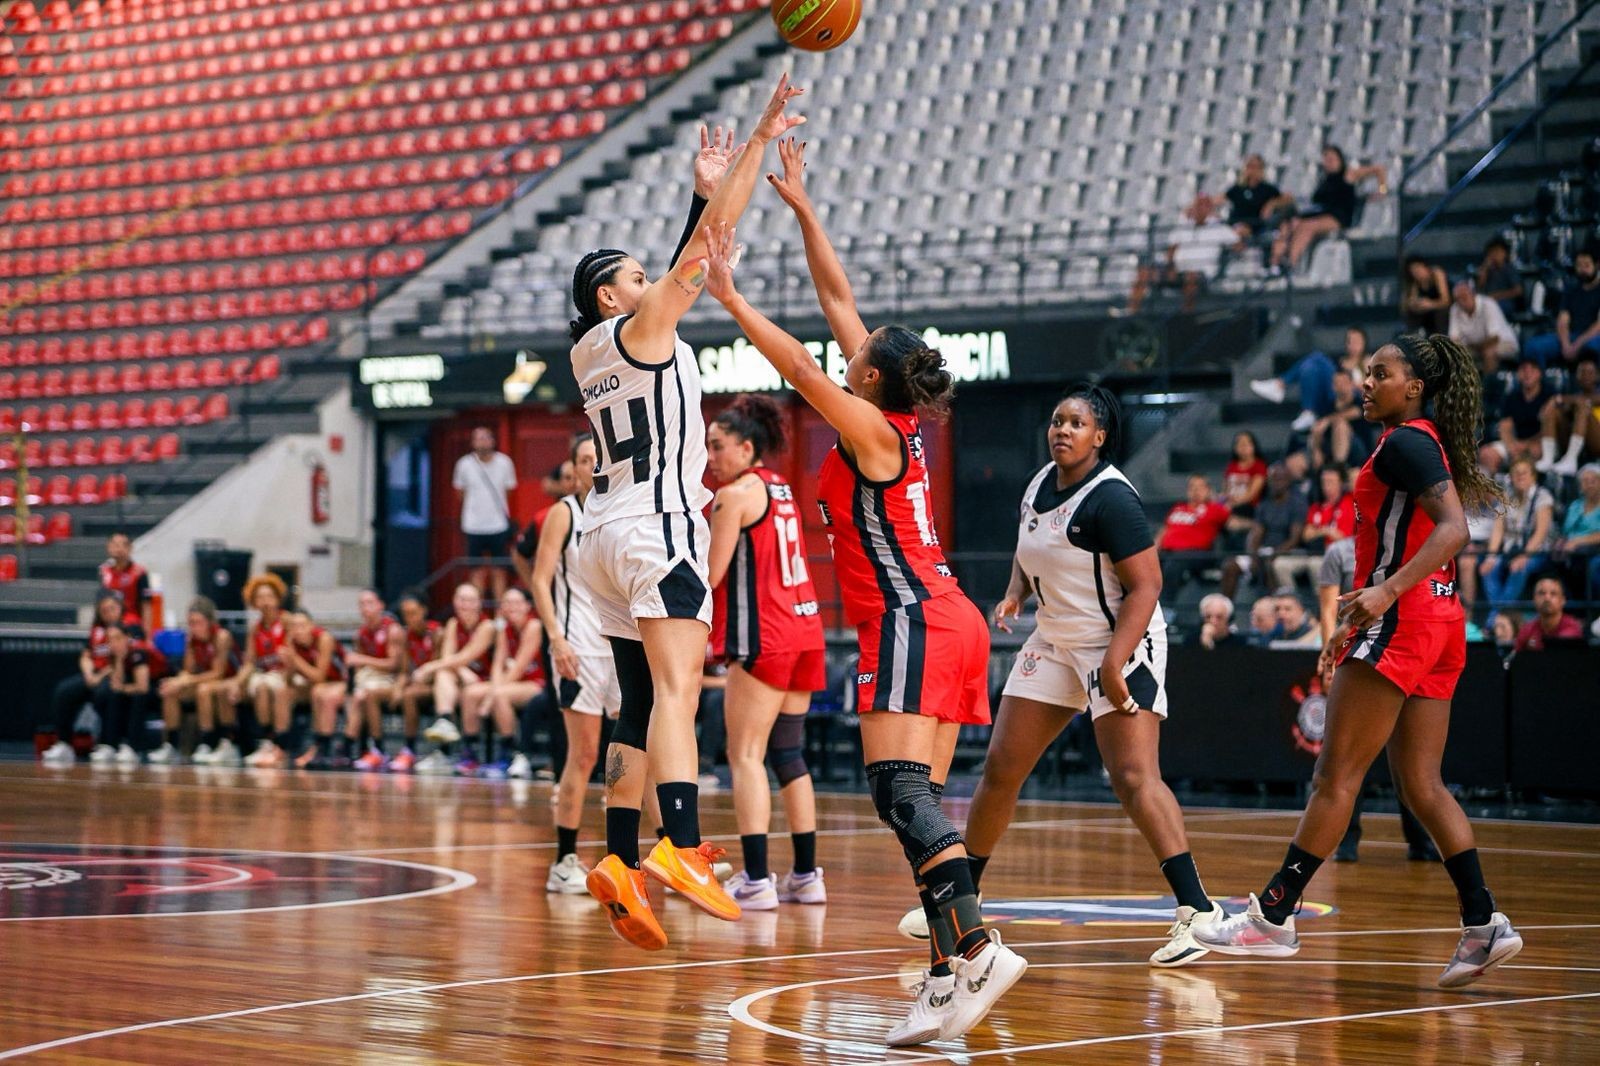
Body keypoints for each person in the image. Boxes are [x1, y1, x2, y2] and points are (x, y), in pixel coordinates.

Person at [704, 136, 1025, 1045]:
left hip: (913, 616)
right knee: (909, 793)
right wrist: (803, 209)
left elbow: (803, 370)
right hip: (945, 613)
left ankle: (974, 948)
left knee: (895, 789)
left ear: (871, 375)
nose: (849, 346)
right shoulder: (891, 413)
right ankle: (943, 973)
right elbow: (838, 301)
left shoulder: (869, 426)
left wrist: (730, 298)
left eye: (859, 356)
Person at [1196, 333, 1525, 990]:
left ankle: (1273, 916)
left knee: (1333, 778)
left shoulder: (1406, 441)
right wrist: (1356, 615)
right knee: (1422, 787)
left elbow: (1455, 530)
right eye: (1365, 372)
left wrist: (1382, 591)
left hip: (1404, 618)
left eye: (1381, 373)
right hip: (1439, 622)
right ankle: (1485, 922)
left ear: (1415, 387)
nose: (1365, 382)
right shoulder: (1422, 441)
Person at [572, 82, 805, 952]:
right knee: (676, 691)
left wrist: (700, 194)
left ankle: (621, 859)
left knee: (635, 704)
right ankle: (678, 843)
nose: (652, 278)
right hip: (656, 527)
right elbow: (698, 260)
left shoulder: (595, 345)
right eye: (635, 276)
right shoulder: (647, 325)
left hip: (601, 540)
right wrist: (755, 143)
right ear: (612, 296)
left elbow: (679, 265)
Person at [947, 383, 1227, 971]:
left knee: (1132, 776)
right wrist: (1013, 594)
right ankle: (958, 907)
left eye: (1076, 423)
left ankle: (1198, 913)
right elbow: (1029, 551)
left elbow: (1148, 587)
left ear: (1099, 437)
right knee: (1000, 768)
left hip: (1118, 640)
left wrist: (1111, 661)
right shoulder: (1037, 483)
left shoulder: (1113, 500)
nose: (1062, 430)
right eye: (1056, 420)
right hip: (1055, 639)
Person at [705, 394, 828, 912]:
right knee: (788, 755)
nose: (710, 456)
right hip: (806, 630)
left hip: (765, 636)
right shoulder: (781, 488)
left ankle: (756, 878)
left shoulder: (733, 497)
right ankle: (806, 875)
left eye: (718, 446)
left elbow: (709, 576)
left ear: (746, 447)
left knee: (745, 755)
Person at [529, 433, 621, 892]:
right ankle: (564, 859)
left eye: (596, 458)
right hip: (578, 646)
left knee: (634, 753)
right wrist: (555, 639)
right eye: (583, 459)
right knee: (583, 755)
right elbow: (540, 580)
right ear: (574, 469)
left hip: (619, 645)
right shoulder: (564, 514)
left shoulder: (621, 509)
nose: (591, 466)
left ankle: (662, 851)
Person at [1316, 536, 1440, 863]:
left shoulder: (1418, 547)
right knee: (1346, 758)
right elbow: (1329, 607)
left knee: (1410, 762)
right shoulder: (1340, 552)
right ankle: (1345, 842)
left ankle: (1422, 842)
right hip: (1360, 648)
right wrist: (1331, 654)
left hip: (1405, 645)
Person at [413, 582, 496, 774]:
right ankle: (444, 726)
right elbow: (449, 658)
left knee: (465, 691)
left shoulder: (487, 626)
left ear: (479, 604)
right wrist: (461, 670)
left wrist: (428, 667)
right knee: (444, 674)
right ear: (454, 602)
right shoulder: (452, 623)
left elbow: (465, 656)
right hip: (465, 678)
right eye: (461, 600)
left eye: (470, 600)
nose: (465, 605)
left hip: (486, 680)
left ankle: (470, 755)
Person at [463, 586, 545, 777]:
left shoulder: (534, 626)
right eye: (507, 603)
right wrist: (490, 691)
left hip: (535, 683)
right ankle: (470, 754)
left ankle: (508, 754)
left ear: (527, 606)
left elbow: (518, 669)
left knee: (500, 696)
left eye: (516, 603)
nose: (511, 607)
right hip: (511, 683)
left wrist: (490, 698)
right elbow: (498, 664)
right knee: (470, 693)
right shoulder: (503, 627)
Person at [40, 591, 126, 767]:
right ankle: (64, 743)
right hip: (93, 675)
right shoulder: (96, 630)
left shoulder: (125, 628)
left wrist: (99, 676)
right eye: (103, 610)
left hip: (113, 675)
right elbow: (86, 655)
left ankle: (108, 744)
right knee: (64, 691)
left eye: (111, 608)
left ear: (119, 608)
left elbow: (121, 657)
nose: (108, 613)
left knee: (105, 693)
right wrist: (88, 674)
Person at [215, 573, 291, 768]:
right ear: (253, 601)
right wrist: (237, 682)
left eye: (269, 596)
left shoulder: (287, 622)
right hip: (265, 674)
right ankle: (230, 742)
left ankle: (270, 742)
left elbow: (294, 658)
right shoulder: (255, 629)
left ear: (277, 598)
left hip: (286, 674)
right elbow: (249, 662)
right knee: (227, 688)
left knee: (263, 687)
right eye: (260, 597)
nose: (265, 601)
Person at [1270, 145, 1386, 272]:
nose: (1328, 162)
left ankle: (1290, 263)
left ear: (1340, 159)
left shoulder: (1349, 174)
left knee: (1306, 227)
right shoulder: (1324, 179)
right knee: (1287, 225)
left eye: (1332, 159)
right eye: (1326, 159)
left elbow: (1379, 169)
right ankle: (1275, 263)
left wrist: (1382, 190)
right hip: (1319, 214)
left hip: (1337, 217)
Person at [149, 597, 236, 766]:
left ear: (210, 621)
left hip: (228, 679)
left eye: (198, 622)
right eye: (191, 622)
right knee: (170, 690)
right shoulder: (191, 639)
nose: (194, 626)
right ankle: (170, 746)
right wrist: (177, 681)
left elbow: (218, 673)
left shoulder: (221, 636)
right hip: (204, 679)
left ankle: (209, 743)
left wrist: (187, 680)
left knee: (203, 690)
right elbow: (188, 670)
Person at [1118, 194, 1238, 316]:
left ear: (1210, 208)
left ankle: (1186, 316)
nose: (1199, 208)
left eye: (1204, 205)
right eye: (1197, 205)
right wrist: (1170, 267)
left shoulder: (1219, 228)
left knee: (1191, 277)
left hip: (1202, 274)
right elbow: (1172, 249)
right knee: (1144, 272)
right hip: (1177, 271)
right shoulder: (1183, 225)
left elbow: (1237, 244)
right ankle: (1131, 312)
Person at [335, 590, 405, 772]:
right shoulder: (361, 634)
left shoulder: (393, 629)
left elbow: (395, 665)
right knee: (355, 695)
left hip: (393, 681)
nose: (365, 608)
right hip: (369, 679)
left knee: (365, 694)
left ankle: (372, 748)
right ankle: (357, 748)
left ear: (381, 605)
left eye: (370, 603)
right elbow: (357, 666)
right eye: (362, 604)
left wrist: (361, 660)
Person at [1478, 458, 1554, 625]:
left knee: (1520, 567)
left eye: (1524, 473)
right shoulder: (1506, 496)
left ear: (1533, 476)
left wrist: (1525, 556)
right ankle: (1500, 616)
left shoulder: (1543, 497)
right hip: (1511, 549)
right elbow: (1498, 529)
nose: (1520, 477)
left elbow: (1541, 533)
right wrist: (1491, 556)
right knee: (1488, 568)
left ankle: (1495, 619)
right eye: (1516, 473)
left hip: (1538, 551)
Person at [1251, 326, 1370, 432]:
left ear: (1364, 343)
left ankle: (1280, 385)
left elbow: (1371, 387)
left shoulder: (1368, 362)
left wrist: (1348, 383)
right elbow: (1332, 384)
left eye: (1357, 341)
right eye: (1350, 341)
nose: (1353, 345)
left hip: (1354, 398)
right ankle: (1307, 411)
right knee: (1310, 367)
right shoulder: (1341, 362)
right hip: (1335, 397)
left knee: (1318, 357)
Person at [1221, 463, 1305, 600]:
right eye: (1273, 479)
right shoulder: (1264, 505)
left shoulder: (1297, 504)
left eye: (1280, 479)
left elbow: (1294, 539)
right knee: (1230, 566)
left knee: (1269, 564)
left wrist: (1273, 554)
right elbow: (1256, 533)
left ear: (1288, 480)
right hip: (1263, 552)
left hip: (1287, 553)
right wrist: (1254, 554)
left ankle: (1273, 610)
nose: (1276, 483)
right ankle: (1225, 611)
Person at [453, 425, 518, 602]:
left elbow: (509, 490)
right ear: (473, 442)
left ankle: (500, 616)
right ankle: (477, 613)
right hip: (473, 524)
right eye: (478, 438)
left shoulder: (505, 462)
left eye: (485, 437)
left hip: (498, 524)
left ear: (493, 440)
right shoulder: (464, 464)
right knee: (476, 571)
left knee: (499, 571)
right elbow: (460, 493)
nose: (482, 441)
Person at [286, 611, 350, 770]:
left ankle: (323, 748)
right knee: (284, 692)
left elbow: (320, 676)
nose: (298, 630)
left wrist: (294, 658)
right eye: (294, 627)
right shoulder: (292, 643)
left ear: (311, 626)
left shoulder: (324, 638)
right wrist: (288, 662)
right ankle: (281, 745)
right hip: (321, 684)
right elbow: (289, 679)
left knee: (321, 693)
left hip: (344, 682)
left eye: (302, 625)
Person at [386, 589, 439, 773]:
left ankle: (409, 749)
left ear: (424, 610)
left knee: (409, 695)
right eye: (405, 614)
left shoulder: (437, 632)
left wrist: (410, 686)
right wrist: (398, 687)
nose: (409, 618)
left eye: (413, 613)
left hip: (436, 687)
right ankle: (375, 749)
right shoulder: (406, 635)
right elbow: (404, 671)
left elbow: (439, 669)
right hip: (416, 685)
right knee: (386, 694)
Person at [1278, 466, 1355, 589]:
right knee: (1280, 564)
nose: (1326, 486)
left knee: (1316, 565)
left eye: (1331, 481)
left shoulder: (1350, 503)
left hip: (1341, 555)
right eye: (1323, 481)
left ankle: (1321, 605)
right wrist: (1327, 531)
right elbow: (1306, 535)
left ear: (1341, 483)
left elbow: (1344, 539)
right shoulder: (1317, 507)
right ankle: (1292, 601)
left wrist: (1320, 531)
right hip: (1314, 552)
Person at [1523, 248, 1600, 368]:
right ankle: (1541, 384)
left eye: (1586, 265)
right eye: (1579, 265)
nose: (1582, 270)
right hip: (1571, 336)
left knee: (1592, 348)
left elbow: (1598, 326)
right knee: (1533, 347)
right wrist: (1566, 345)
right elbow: (1563, 320)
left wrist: (1577, 345)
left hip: (1592, 338)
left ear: (1596, 265)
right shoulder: (1571, 289)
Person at [1157, 474, 1231, 593]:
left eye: (1200, 487)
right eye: (1192, 487)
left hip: (1196, 554)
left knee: (1174, 564)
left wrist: (1218, 500)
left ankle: (1167, 606)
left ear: (1208, 490)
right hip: (1168, 552)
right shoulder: (1178, 508)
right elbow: (1164, 531)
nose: (1196, 491)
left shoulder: (1215, 509)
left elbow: (1232, 522)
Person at [91, 623, 151, 767]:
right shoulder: (114, 655)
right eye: (110, 640)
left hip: (156, 688)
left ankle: (133, 748)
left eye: (117, 638)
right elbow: (117, 685)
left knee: (138, 697)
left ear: (127, 638)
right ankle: (111, 745)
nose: (114, 643)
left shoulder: (138, 652)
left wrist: (122, 688)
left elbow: (143, 687)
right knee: (111, 695)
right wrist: (118, 659)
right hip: (132, 687)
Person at [1480, 358, 1550, 474]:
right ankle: (1493, 489)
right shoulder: (1512, 397)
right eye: (1523, 370)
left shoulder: (1548, 396)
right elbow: (1505, 426)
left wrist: (1526, 444)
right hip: (1515, 442)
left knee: (1536, 451)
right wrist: (1511, 446)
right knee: (1486, 454)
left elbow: (1548, 430)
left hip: (1538, 442)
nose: (1527, 373)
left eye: (1532, 370)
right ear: (1518, 374)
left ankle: (1530, 489)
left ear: (1539, 373)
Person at [1539, 356, 1600, 476]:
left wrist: (1558, 398)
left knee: (1584, 407)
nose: (1586, 376)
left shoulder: (1594, 396)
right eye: (1582, 372)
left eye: (1590, 373)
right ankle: (1548, 458)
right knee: (1554, 410)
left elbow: (1587, 400)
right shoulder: (1575, 398)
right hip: (1582, 443)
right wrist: (1553, 405)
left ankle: (1571, 459)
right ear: (1576, 376)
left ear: (1598, 376)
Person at [1224, 153, 1291, 248]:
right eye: (1249, 166)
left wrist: (1271, 204)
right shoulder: (1237, 189)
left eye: (1255, 167)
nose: (1252, 170)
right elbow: (1221, 199)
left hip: (1257, 225)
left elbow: (1287, 198)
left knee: (1241, 231)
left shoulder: (1267, 189)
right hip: (1237, 223)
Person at [1448, 278, 1519, 366]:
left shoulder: (1488, 304)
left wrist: (1471, 347)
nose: (1462, 301)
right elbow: (1454, 339)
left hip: (1504, 342)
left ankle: (1488, 380)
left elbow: (1494, 338)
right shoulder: (1455, 309)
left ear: (1473, 294)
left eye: (1464, 297)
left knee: (1489, 352)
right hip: (1475, 346)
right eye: (1458, 299)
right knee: (1454, 355)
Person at [1558, 463, 1600, 601]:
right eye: (1585, 481)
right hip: (1572, 550)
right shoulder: (1575, 506)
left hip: (1595, 550)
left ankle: (1591, 608)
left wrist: (1577, 541)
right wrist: (1561, 541)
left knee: (1592, 567)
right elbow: (1566, 531)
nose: (1589, 484)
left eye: (1593, 480)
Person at [1512, 576, 1584, 651]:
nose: (1547, 598)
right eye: (1541, 593)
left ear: (1562, 600)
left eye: (1553, 594)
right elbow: (1516, 658)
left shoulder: (1572, 627)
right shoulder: (1527, 630)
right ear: (1534, 599)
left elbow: (1557, 649)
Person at [1400, 255, 1451, 336]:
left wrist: (1430, 304)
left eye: (1418, 269)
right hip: (1428, 313)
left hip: (1444, 310)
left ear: (1425, 266)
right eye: (1413, 272)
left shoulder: (1437, 274)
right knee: (1411, 315)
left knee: (1440, 314)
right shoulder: (1415, 283)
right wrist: (1416, 305)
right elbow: (1407, 304)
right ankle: (1414, 339)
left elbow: (1446, 300)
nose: (1417, 274)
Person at [1475, 236, 1524, 313]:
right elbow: (1479, 288)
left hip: (1505, 302)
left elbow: (1518, 290)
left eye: (1497, 251)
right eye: (1491, 252)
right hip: (1488, 301)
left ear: (1505, 253)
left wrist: (1498, 296)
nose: (1494, 255)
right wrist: (1485, 268)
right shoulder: (1487, 270)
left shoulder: (1509, 269)